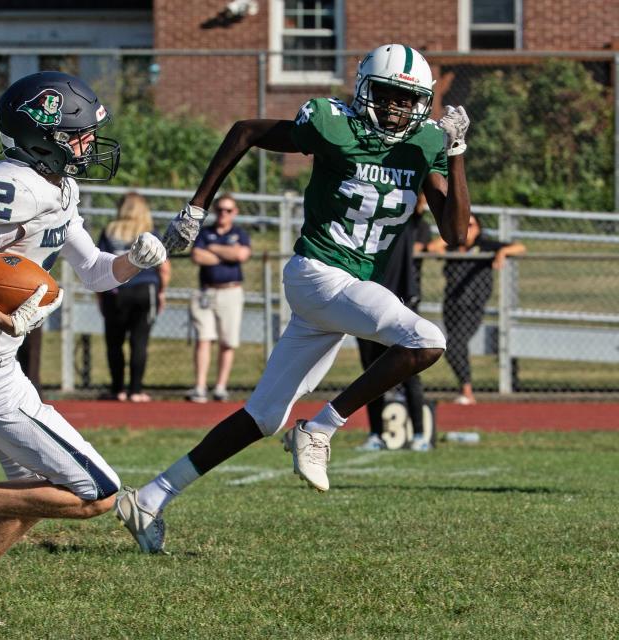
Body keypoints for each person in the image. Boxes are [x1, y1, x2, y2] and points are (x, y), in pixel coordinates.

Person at [115, 43, 472, 553]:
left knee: (263, 416)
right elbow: (245, 131)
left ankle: (150, 496)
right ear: (367, 89)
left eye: (407, 99)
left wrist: (456, 155)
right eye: (389, 95)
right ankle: (322, 428)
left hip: (344, 288)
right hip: (319, 273)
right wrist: (197, 206)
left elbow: (456, 233)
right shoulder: (333, 124)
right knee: (426, 338)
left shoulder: (425, 144)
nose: (396, 109)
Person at [0, 71, 167, 628]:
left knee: (30, 493)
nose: (89, 145)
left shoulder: (59, 185)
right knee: (97, 492)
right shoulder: (13, 183)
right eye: (79, 135)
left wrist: (136, 262)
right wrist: (4, 316)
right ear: (44, 136)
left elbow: (94, 272)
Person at [356, 194, 436, 451]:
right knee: (371, 374)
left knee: (409, 371)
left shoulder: (408, 222)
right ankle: (375, 434)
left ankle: (420, 435)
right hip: (368, 305)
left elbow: (418, 200)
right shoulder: (363, 229)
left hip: (401, 305)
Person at [427, 214, 525, 405]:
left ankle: (467, 390)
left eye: (470, 225)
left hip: (473, 306)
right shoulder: (453, 245)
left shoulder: (485, 246)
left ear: (479, 228)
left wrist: (502, 253)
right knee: (454, 346)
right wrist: (452, 234)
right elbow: (432, 248)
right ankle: (465, 388)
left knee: (455, 345)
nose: (467, 228)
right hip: (451, 305)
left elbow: (520, 247)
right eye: (463, 224)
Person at [97, 192, 171, 402]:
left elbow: (100, 264)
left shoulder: (110, 231)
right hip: (145, 289)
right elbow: (164, 268)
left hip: (115, 291)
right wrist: (162, 292)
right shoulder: (150, 233)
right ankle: (136, 390)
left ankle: (117, 389)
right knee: (140, 341)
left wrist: (100, 297)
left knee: (114, 342)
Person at [185, 193, 251, 403]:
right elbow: (197, 256)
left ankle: (220, 387)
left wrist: (213, 250)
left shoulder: (239, 233)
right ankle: (200, 386)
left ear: (235, 212)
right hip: (206, 291)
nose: (224, 214)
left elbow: (241, 255)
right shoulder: (205, 233)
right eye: (220, 209)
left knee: (227, 341)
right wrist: (226, 254)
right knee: (204, 339)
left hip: (231, 292)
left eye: (228, 210)